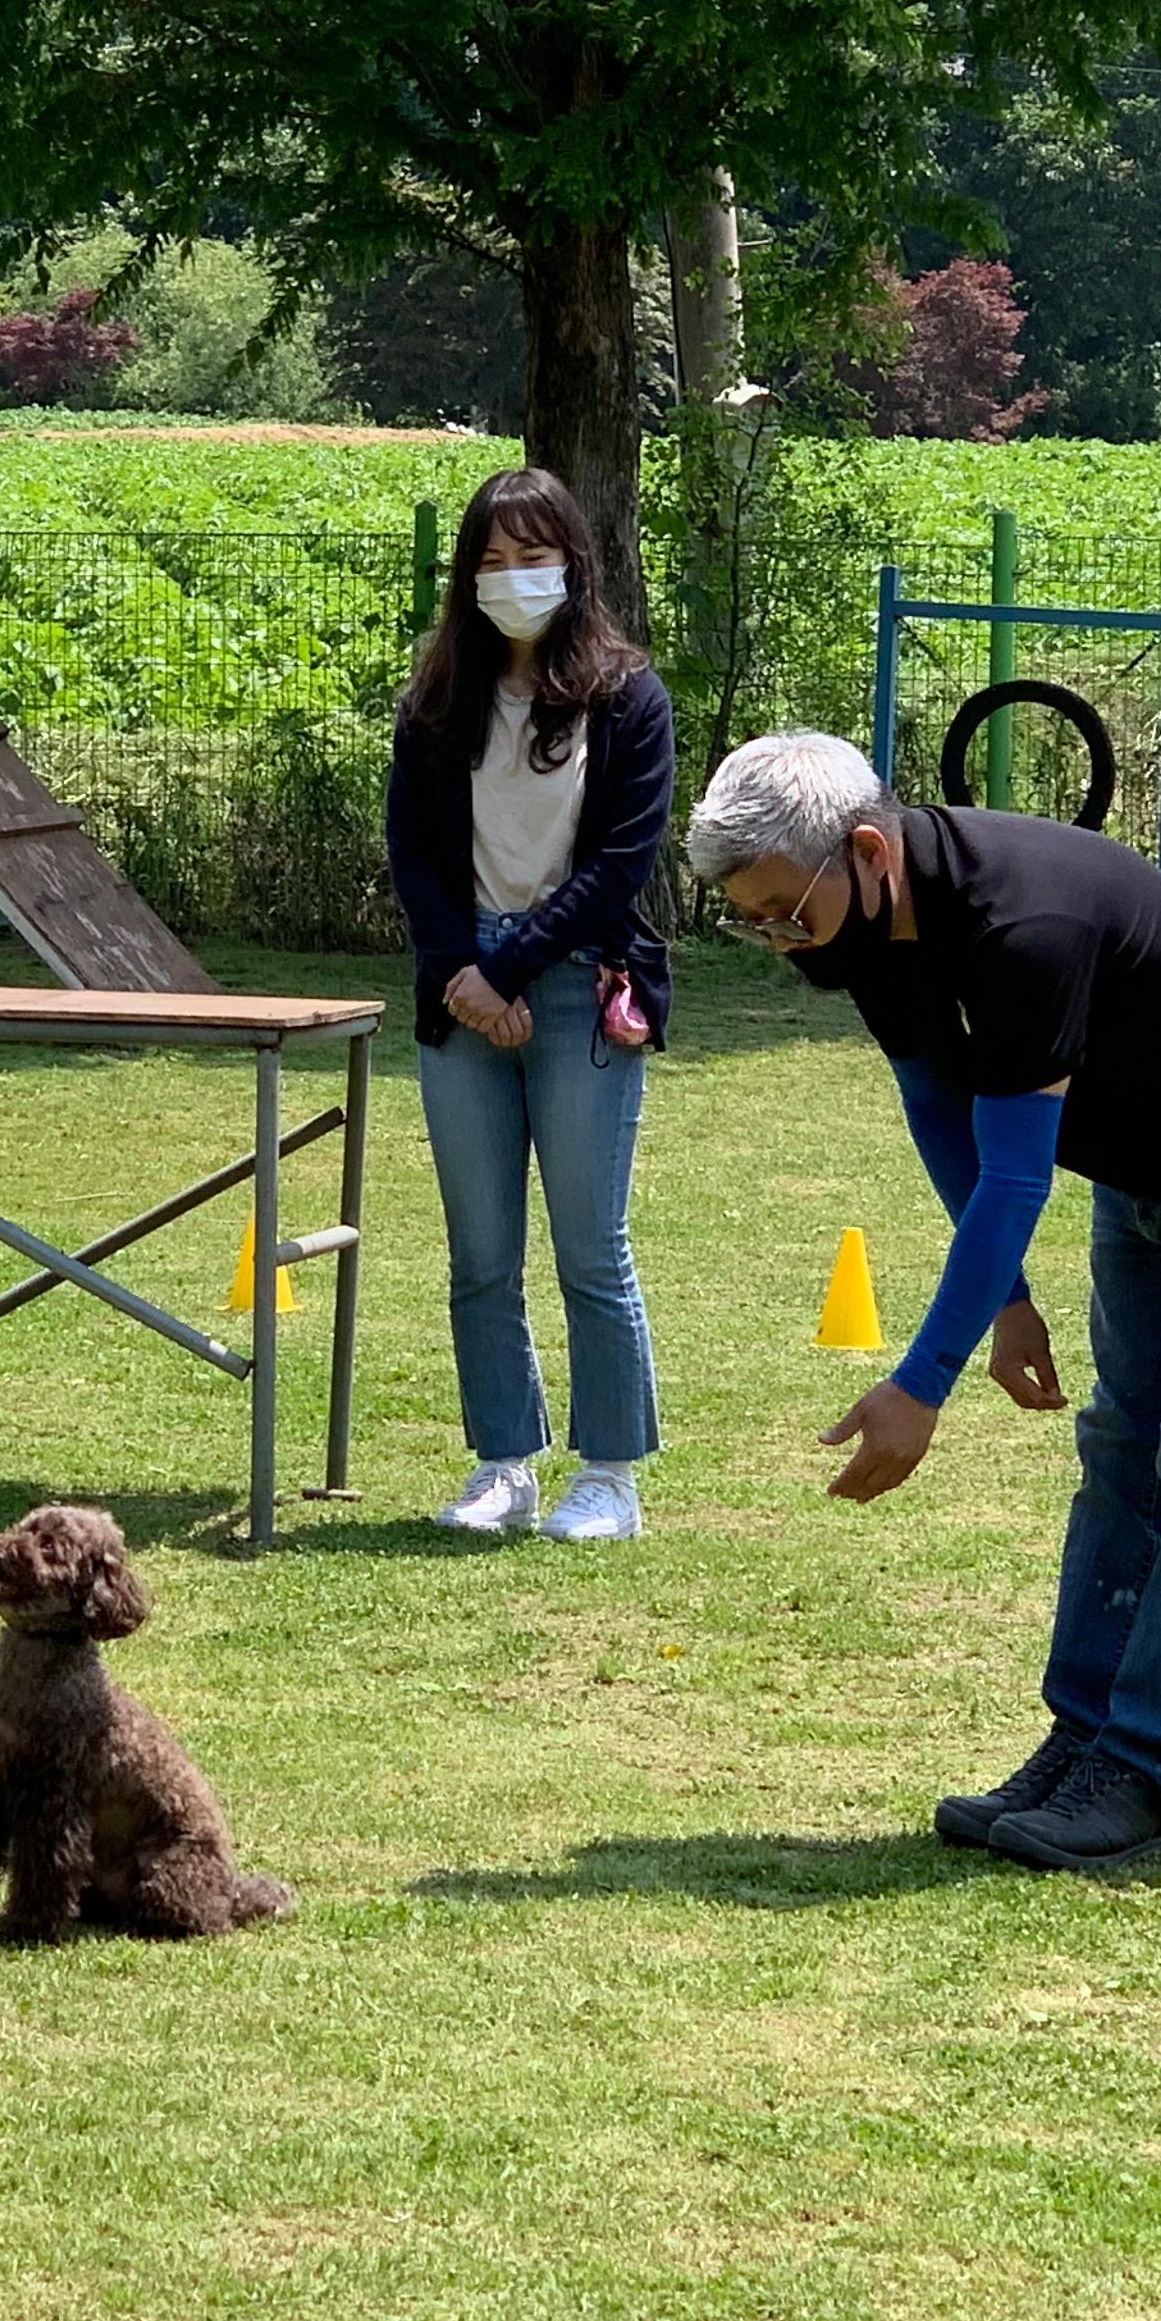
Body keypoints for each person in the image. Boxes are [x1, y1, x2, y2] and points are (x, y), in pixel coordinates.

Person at [685, 731, 1161, 1878]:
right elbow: (936, 1108)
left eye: (785, 914)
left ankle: (1148, 1777)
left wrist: (923, 1382)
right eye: (751, 920)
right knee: (1121, 1452)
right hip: (1145, 1171)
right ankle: (1084, 1742)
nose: (775, 942)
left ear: (866, 853)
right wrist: (1006, 1301)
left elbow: (1015, 1174)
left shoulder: (1023, 924)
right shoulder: (864, 934)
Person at [383, 469, 675, 1540]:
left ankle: (609, 1478)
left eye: (533, 558)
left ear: (574, 566)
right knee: (480, 1254)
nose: (514, 579)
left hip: (578, 984)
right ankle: (502, 1464)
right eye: (493, 561)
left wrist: (508, 976)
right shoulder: (436, 701)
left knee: (591, 1248)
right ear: (467, 577)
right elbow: (413, 853)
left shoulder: (629, 697)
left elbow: (620, 865)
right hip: (461, 986)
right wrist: (466, 972)